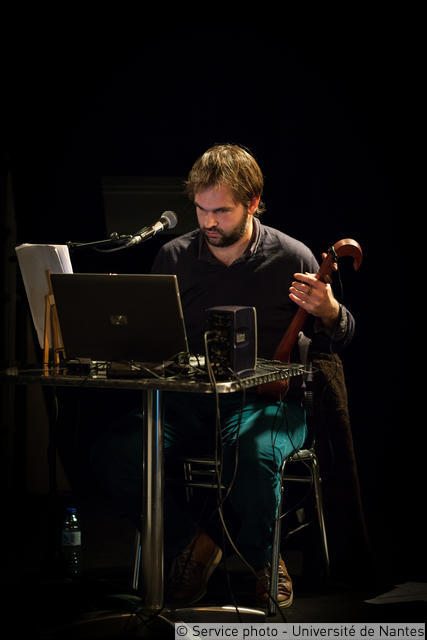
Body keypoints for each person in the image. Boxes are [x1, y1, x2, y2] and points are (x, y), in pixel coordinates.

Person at [146, 143, 355, 608]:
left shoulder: (292, 256)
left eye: (221, 211)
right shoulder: (174, 257)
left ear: (253, 202)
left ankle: (264, 557)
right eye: (201, 210)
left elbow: (341, 336)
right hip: (192, 403)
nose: (209, 222)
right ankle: (197, 543)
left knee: (253, 452)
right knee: (119, 451)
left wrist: (330, 310)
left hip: (269, 402)